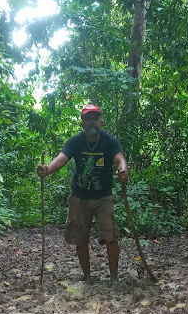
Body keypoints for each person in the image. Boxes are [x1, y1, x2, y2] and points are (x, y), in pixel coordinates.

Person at [37, 104, 128, 283]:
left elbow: (120, 159)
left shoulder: (109, 140)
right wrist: (47, 169)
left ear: (101, 122)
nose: (91, 121)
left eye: (95, 118)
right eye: (87, 118)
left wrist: (123, 170)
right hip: (79, 196)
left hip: (104, 196)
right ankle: (87, 277)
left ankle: (114, 279)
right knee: (80, 238)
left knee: (111, 236)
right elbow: (61, 160)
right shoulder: (75, 141)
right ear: (82, 124)